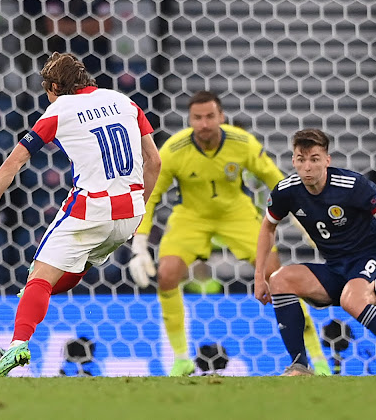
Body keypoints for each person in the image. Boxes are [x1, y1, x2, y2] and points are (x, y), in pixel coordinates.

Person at [0, 52, 162, 377]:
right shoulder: (124, 102)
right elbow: (154, 161)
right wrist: (140, 205)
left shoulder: (59, 109)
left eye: (47, 88)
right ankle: (35, 293)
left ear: (55, 86)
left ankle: (19, 342)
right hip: (130, 211)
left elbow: (14, 161)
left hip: (92, 207)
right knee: (76, 263)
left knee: (40, 275)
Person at [128, 91, 330, 377]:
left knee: (279, 279)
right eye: (197, 118)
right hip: (191, 217)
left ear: (221, 117)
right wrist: (139, 245)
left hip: (236, 213)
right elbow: (152, 196)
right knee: (167, 274)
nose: (204, 123)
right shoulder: (174, 150)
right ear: (190, 120)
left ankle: (316, 359)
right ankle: (181, 359)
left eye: (210, 116)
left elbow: (276, 182)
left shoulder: (242, 143)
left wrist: (308, 222)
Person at [254, 129, 376, 376]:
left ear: (327, 160)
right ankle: (299, 366)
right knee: (280, 279)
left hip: (371, 258)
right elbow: (268, 227)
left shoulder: (353, 186)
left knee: (351, 300)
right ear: (293, 161)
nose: (307, 167)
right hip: (335, 266)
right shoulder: (286, 191)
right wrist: (259, 276)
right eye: (301, 159)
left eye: (314, 159)